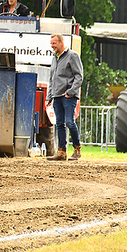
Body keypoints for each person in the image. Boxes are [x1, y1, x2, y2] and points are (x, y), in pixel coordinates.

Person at [46, 33, 83, 161]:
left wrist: (71, 92)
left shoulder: (72, 56)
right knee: (59, 124)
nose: (52, 46)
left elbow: (79, 76)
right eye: (51, 44)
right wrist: (49, 96)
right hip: (56, 96)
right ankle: (61, 152)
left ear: (61, 43)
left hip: (68, 96)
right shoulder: (54, 57)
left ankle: (77, 149)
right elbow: (52, 78)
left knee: (69, 122)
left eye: (54, 43)